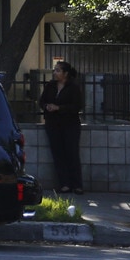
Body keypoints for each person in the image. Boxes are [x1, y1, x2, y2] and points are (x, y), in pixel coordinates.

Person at [40, 59, 84, 194]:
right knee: (58, 154)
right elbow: (42, 100)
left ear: (65, 73)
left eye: (58, 70)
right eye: (55, 70)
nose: (55, 73)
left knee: (72, 153)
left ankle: (77, 185)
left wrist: (59, 107)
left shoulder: (73, 87)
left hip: (70, 124)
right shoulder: (51, 86)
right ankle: (64, 184)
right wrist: (46, 106)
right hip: (53, 124)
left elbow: (77, 106)